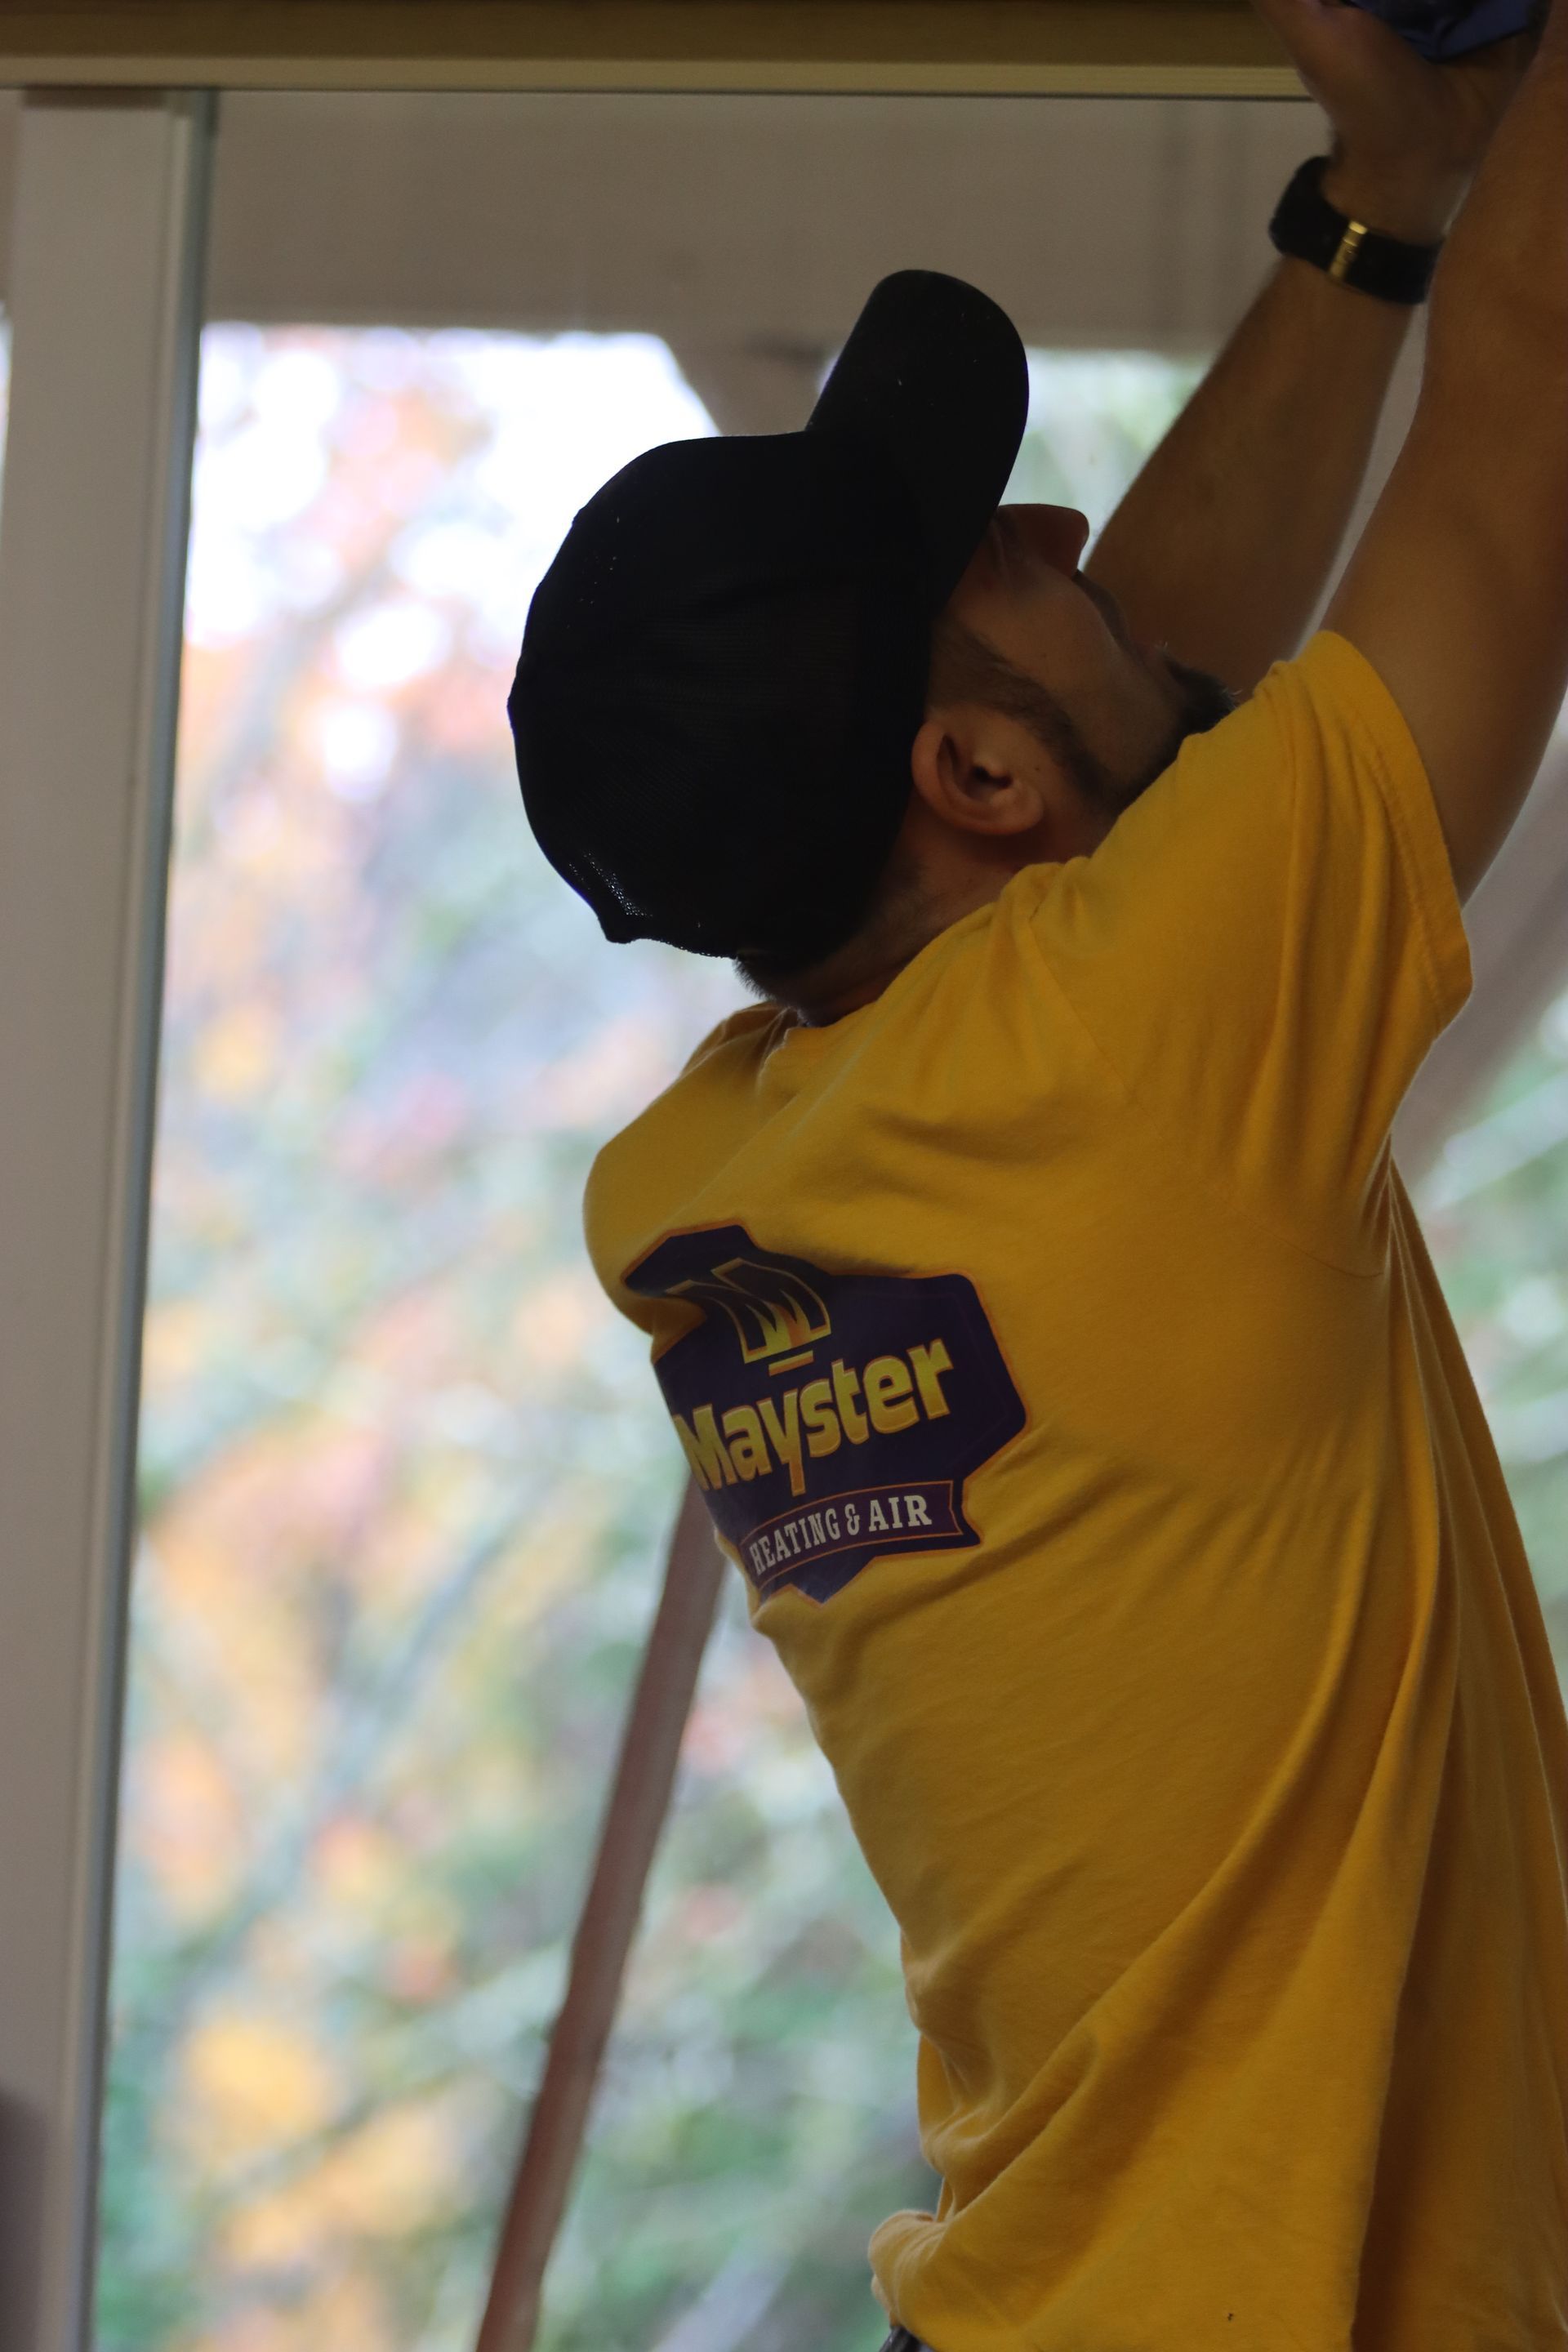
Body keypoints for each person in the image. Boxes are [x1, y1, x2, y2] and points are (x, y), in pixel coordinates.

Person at [507, 0, 1568, 2339]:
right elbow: (1522, 436)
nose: (1074, 528)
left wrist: (1384, 202)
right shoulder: (1123, 1043)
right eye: (997, 553)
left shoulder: (713, 1184)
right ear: (975, 778)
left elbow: (1133, 683)